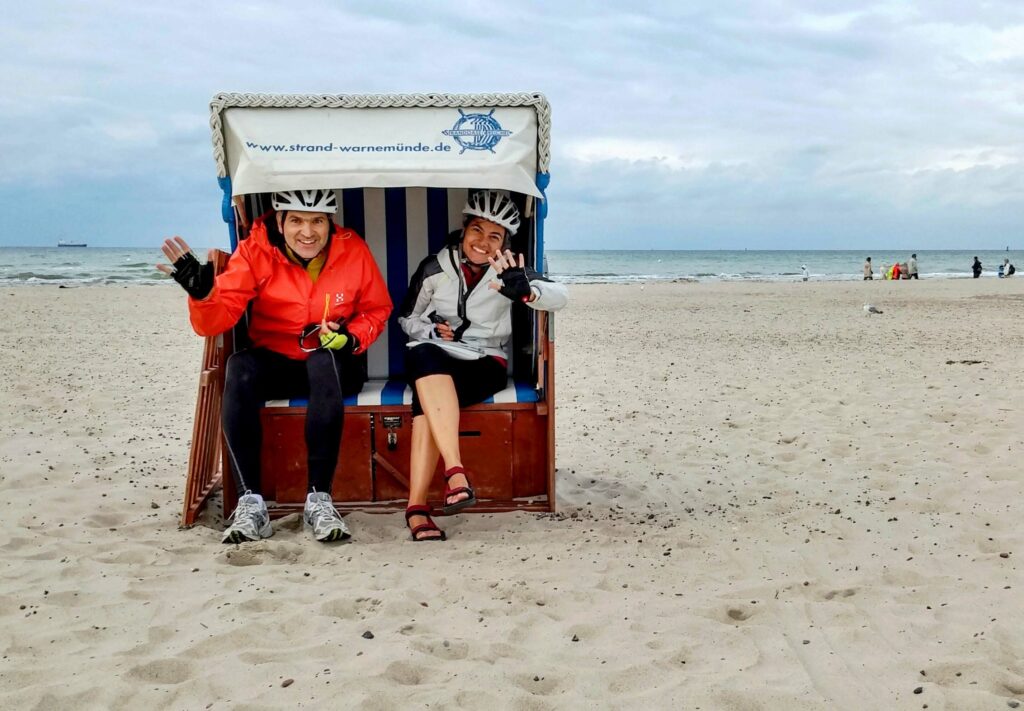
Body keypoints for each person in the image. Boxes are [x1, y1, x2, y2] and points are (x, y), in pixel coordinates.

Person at [158, 190, 392, 544]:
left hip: (335, 364)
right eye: (296, 220)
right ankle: (251, 503)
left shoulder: (352, 249)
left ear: (330, 223)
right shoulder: (256, 252)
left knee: (322, 361)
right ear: (280, 222)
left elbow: (377, 308)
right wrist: (203, 295)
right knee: (239, 365)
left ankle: (319, 500)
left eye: (317, 221)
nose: (308, 232)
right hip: (279, 361)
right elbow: (214, 322)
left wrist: (350, 337)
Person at [397, 190, 568, 541]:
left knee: (425, 396)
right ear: (464, 229)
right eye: (478, 230)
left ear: (504, 241)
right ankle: (455, 475)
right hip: (439, 354)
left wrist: (525, 291)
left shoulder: (510, 269)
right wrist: (430, 328)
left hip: (485, 362)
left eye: (495, 236)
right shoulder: (433, 267)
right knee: (421, 354)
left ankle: (418, 508)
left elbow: (561, 297)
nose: (483, 242)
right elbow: (407, 319)